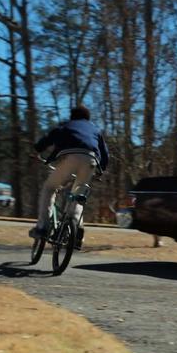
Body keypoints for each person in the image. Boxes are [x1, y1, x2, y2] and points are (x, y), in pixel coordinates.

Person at [30, 105, 109, 250]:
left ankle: (43, 227)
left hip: (70, 158)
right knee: (78, 195)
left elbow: (49, 138)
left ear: (72, 116)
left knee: (49, 188)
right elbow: (104, 153)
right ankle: (76, 230)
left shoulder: (67, 125)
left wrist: (37, 151)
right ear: (87, 117)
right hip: (91, 160)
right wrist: (101, 170)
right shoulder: (95, 129)